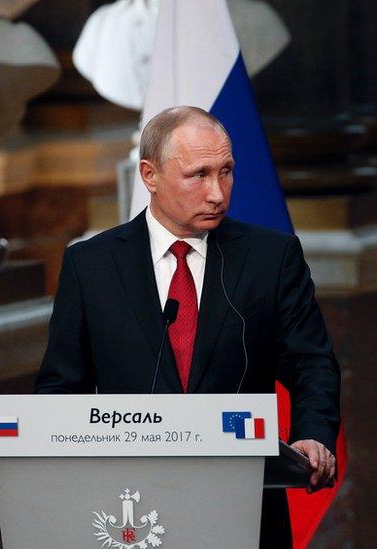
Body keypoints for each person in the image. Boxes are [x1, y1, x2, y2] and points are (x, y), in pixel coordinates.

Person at [35, 105, 339, 547]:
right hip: (131, 511)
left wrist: (312, 433)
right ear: (149, 175)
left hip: (243, 509)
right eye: (199, 175)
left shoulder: (270, 258)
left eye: (226, 171)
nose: (217, 192)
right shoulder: (92, 265)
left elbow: (312, 363)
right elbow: (61, 386)